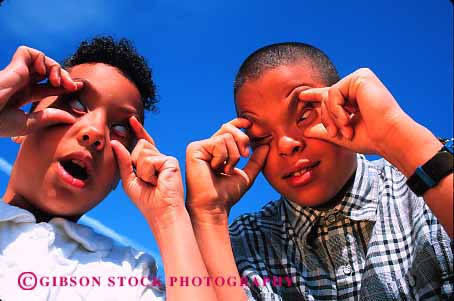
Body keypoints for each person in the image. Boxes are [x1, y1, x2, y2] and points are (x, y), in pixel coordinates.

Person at [185, 42, 453, 300]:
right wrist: (208, 215)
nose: (286, 145)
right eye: (261, 136)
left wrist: (398, 136)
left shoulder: (428, 182)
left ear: (346, 104)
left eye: (303, 115)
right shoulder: (244, 243)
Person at [0, 36, 216, 301]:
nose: (94, 132)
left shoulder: (127, 274)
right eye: (77, 104)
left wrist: (169, 215)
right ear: (21, 124)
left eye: (120, 129)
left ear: (121, 172)